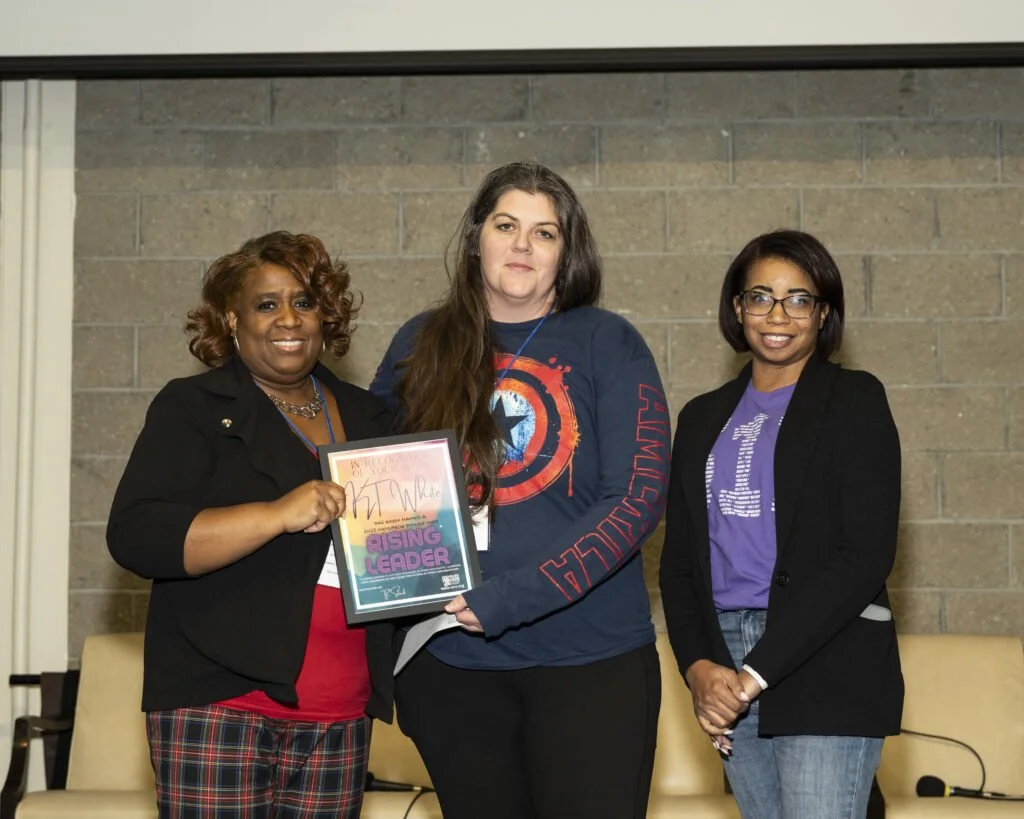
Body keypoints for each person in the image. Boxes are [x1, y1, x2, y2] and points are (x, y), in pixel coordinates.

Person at [370, 161, 669, 819]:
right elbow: (377, 493)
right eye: (507, 225)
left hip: (590, 665)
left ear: (568, 253)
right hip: (449, 666)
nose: (523, 245)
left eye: (545, 232)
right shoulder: (418, 344)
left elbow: (636, 497)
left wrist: (511, 597)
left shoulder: (608, 342)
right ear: (477, 235)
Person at [107, 231, 394, 819]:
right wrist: (275, 515)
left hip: (339, 711)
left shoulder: (372, 416)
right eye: (266, 304)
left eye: (305, 302)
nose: (288, 318)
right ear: (232, 321)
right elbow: (137, 534)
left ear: (327, 317)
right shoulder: (193, 407)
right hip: (220, 704)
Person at [659, 229, 904, 818]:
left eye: (799, 299)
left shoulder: (854, 400)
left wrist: (755, 673)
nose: (778, 314)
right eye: (761, 296)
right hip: (724, 664)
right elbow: (680, 564)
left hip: (824, 657)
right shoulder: (700, 418)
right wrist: (700, 670)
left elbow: (865, 555)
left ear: (823, 315)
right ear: (737, 307)